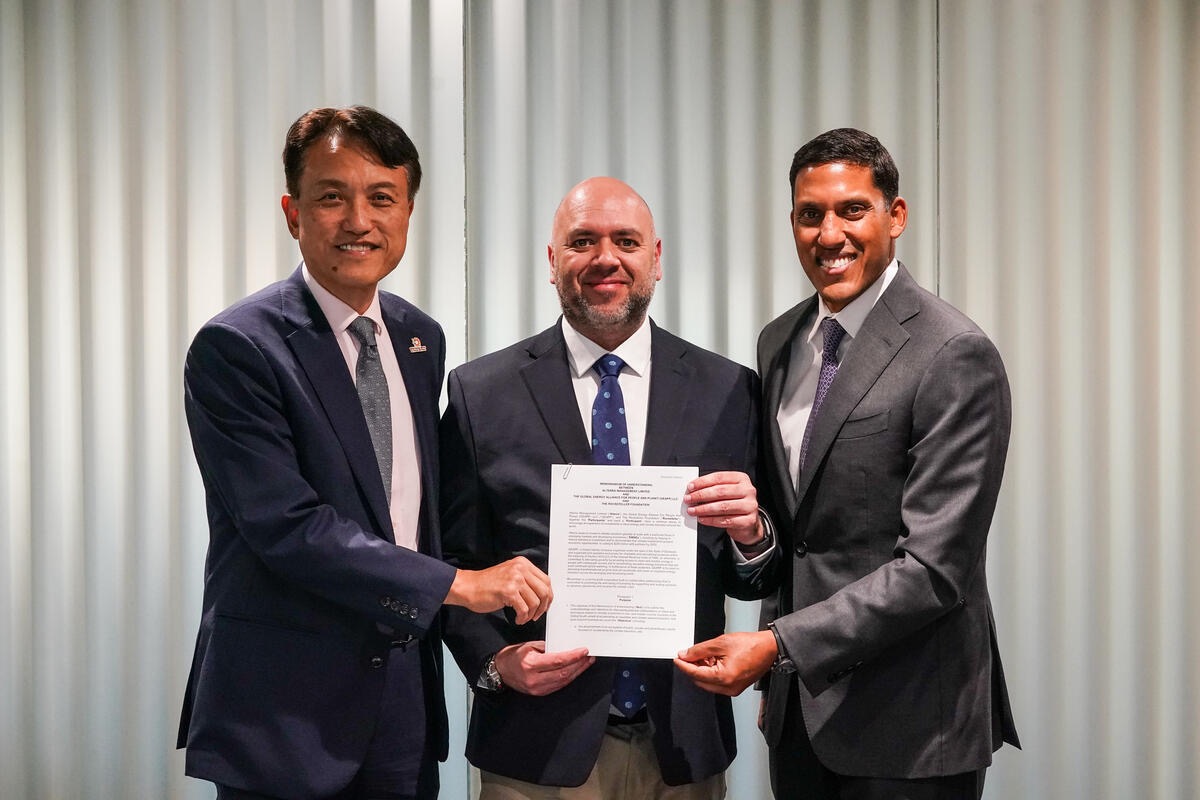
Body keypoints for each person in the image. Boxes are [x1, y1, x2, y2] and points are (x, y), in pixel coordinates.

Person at [178, 105, 552, 800]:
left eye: (382, 197)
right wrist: (461, 585)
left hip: (403, 705)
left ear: (407, 211)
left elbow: (418, 512)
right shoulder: (238, 347)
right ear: (293, 213)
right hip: (285, 712)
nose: (359, 220)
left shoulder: (418, 339)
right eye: (332, 197)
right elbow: (287, 528)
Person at [675, 128, 1020, 799]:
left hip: (911, 726)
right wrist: (753, 538)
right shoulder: (779, 341)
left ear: (896, 215)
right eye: (811, 214)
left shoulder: (953, 352)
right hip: (800, 718)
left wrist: (776, 647)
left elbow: (934, 570)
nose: (829, 234)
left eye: (852, 210)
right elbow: (800, 535)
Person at [438, 176, 777, 799]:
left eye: (626, 240)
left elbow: (750, 577)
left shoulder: (729, 389)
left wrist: (751, 534)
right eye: (582, 242)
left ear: (656, 258)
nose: (605, 259)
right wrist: (493, 662)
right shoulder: (480, 393)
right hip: (535, 745)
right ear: (552, 261)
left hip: (683, 741)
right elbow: (450, 561)